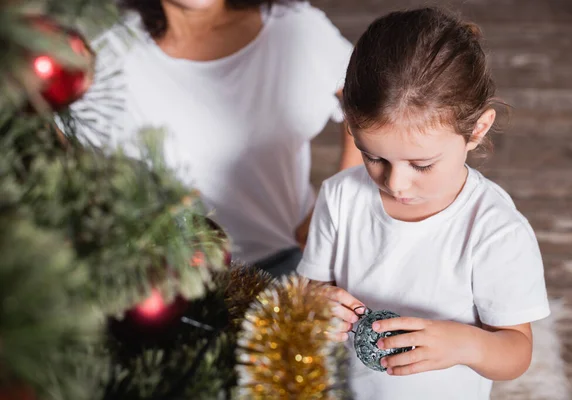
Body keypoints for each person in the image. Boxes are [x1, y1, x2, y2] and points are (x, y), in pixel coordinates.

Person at [297, 8, 550, 400]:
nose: (395, 183)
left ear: (476, 131)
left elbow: (517, 351)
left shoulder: (494, 230)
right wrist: (317, 305)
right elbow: (311, 290)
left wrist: (465, 344)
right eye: (374, 157)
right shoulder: (340, 196)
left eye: (422, 164)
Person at [66, 0, 362, 277]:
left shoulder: (295, 26)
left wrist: (334, 204)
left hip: (290, 256)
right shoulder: (109, 51)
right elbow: (56, 153)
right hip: (167, 274)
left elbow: (361, 99)